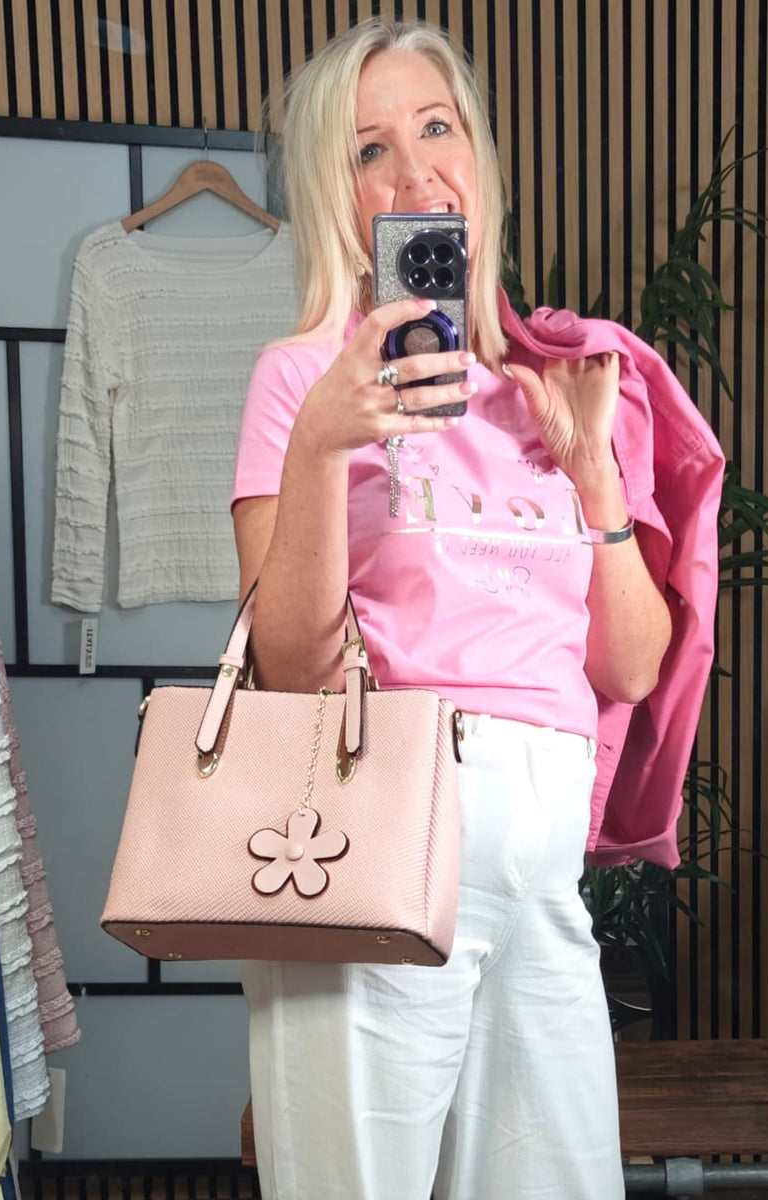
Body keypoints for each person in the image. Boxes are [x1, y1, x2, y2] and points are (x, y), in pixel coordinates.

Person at [231, 17, 685, 1200]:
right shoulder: (302, 378)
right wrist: (328, 445)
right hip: (376, 828)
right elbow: (287, 665)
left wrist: (596, 486)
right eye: (370, 148)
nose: (416, 169)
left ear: (481, 159)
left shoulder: (552, 382)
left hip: (541, 860)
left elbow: (631, 668)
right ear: (339, 191)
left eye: (438, 128)